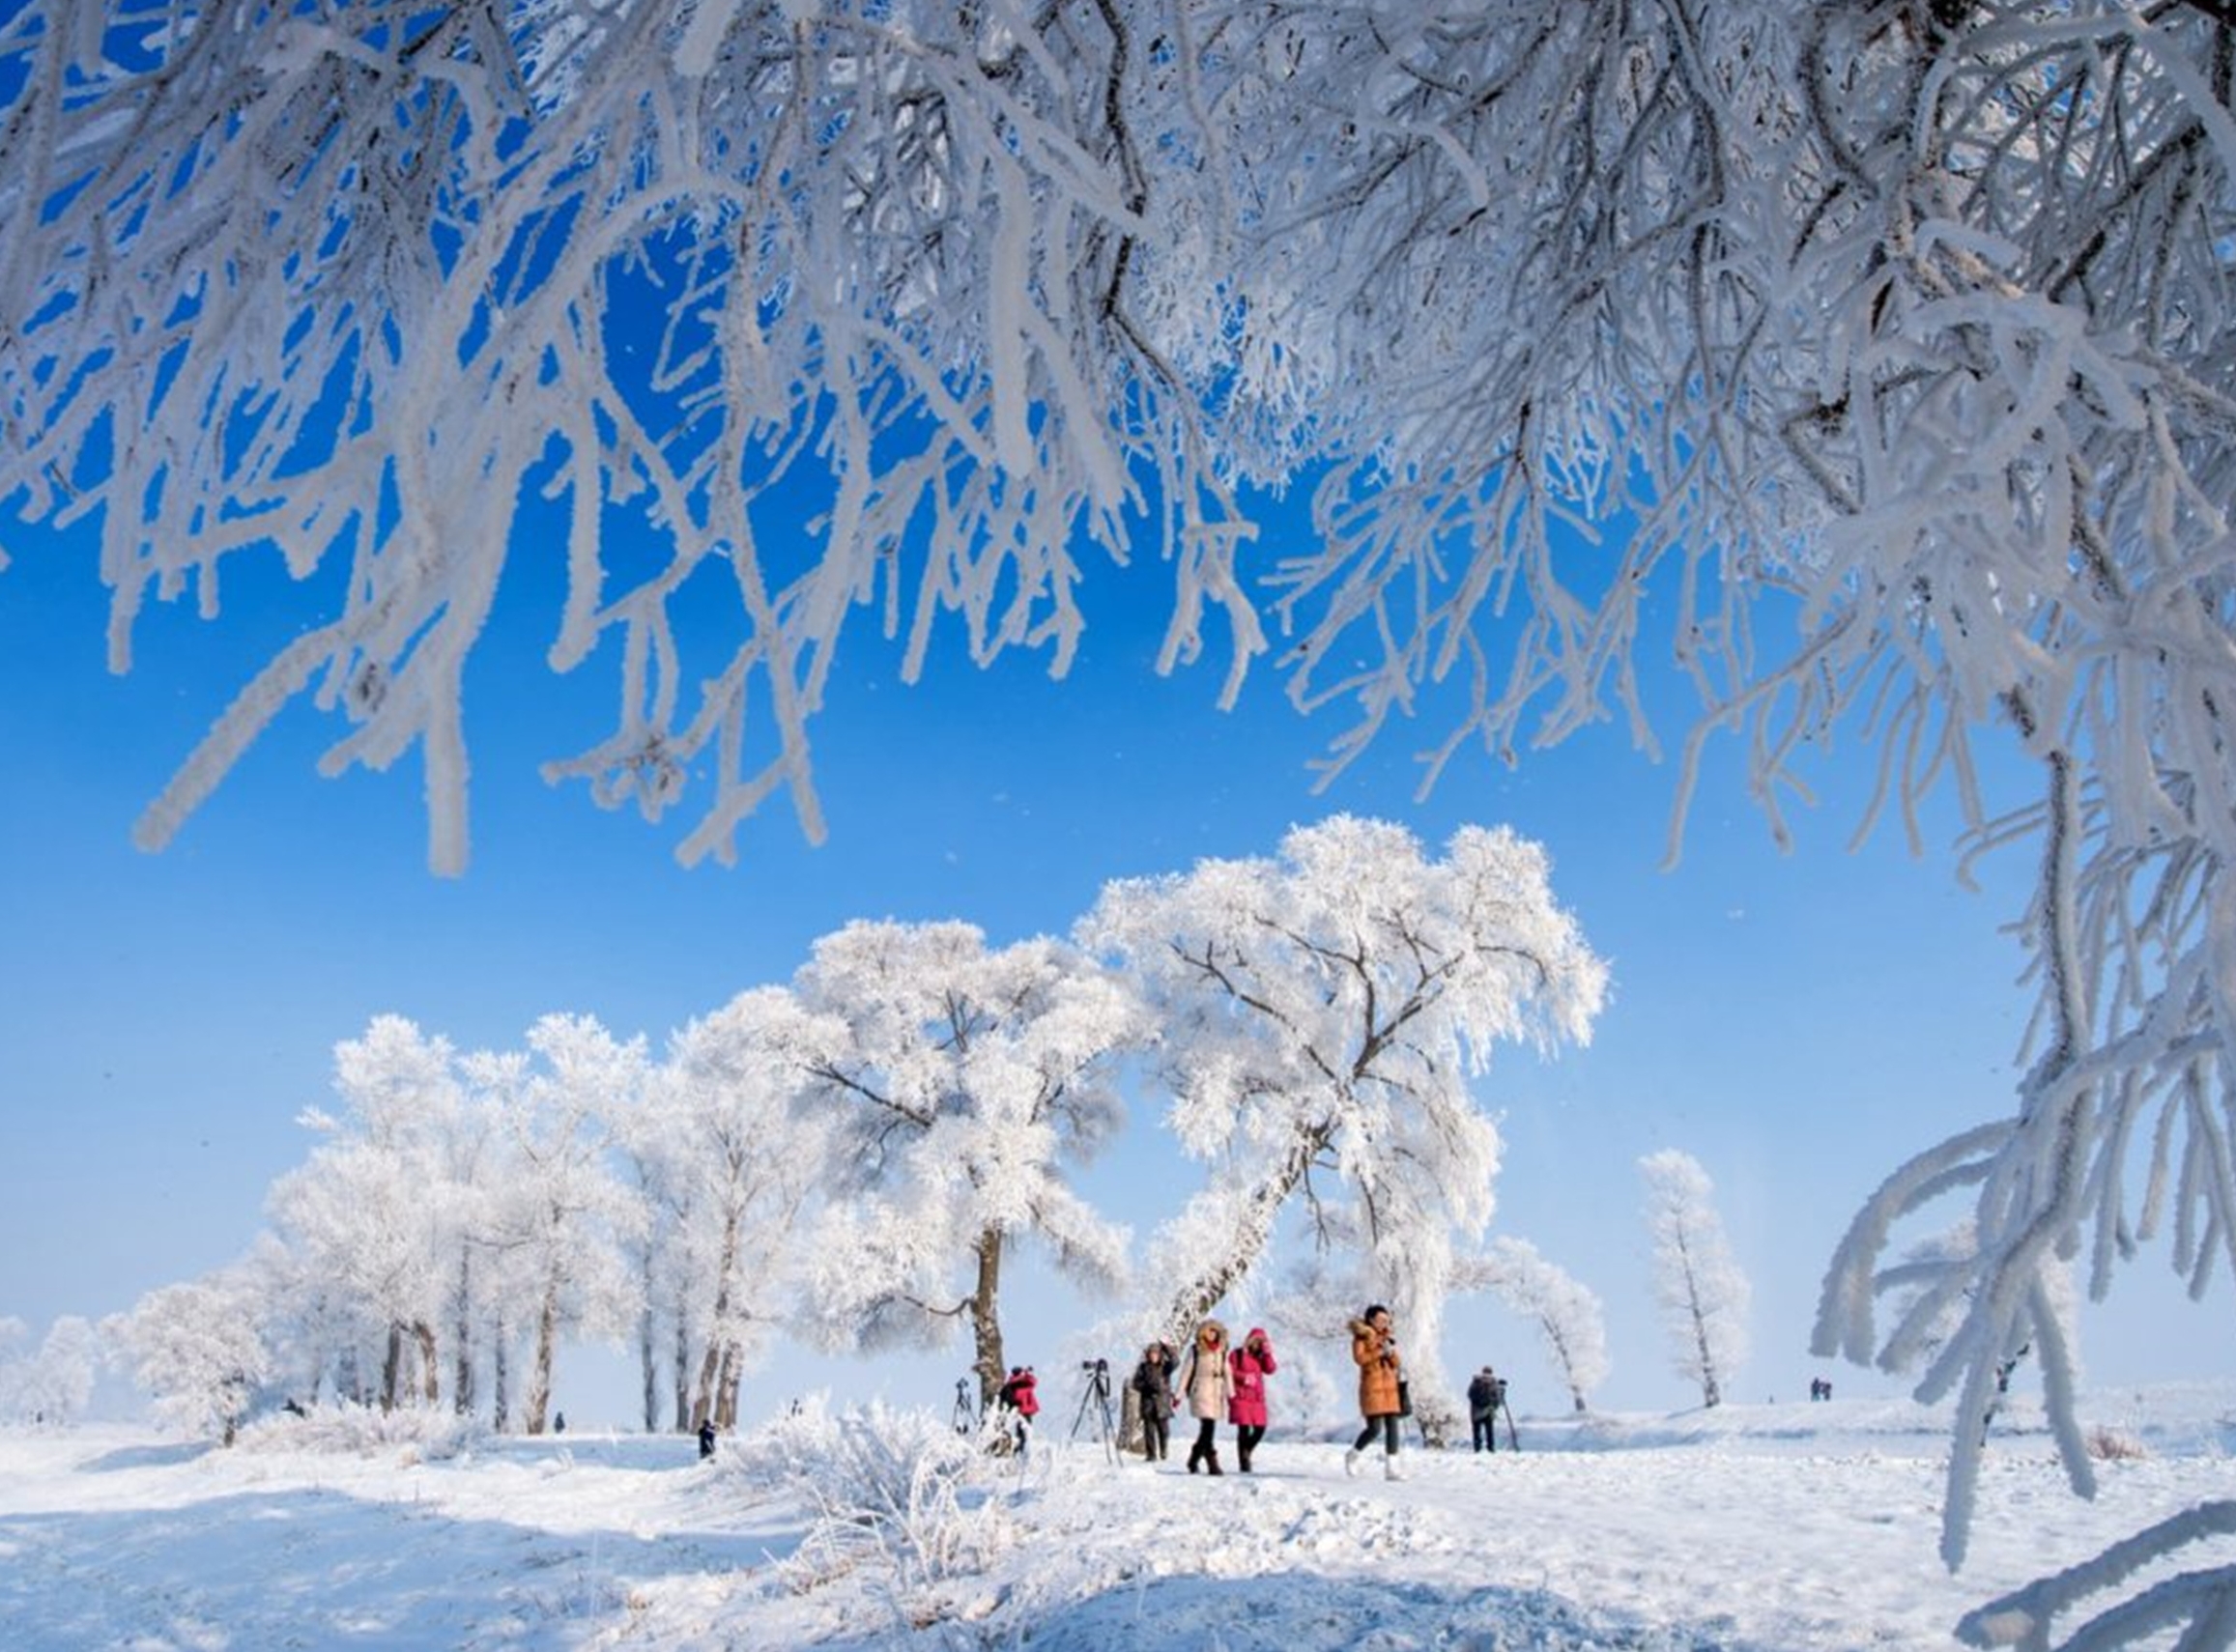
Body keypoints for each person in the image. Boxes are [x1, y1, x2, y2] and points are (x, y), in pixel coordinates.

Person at [1345, 1303, 1405, 1480]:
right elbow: (1360, 1358)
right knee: (1375, 1429)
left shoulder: (1387, 1338)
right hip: (1372, 1388)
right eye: (1380, 1319)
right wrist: (1379, 1352)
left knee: (1393, 1426)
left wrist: (1391, 1352)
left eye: (1386, 1320)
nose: (1384, 1323)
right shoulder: (1360, 1338)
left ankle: (1392, 1469)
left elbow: (1397, 1363)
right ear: (1371, 1319)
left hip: (1390, 1388)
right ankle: (1353, 1455)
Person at [1176, 1320, 1234, 1474]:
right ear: (1203, 1332)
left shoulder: (1223, 1350)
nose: (1212, 1334)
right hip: (1201, 1389)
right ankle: (1212, 1462)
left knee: (1207, 1428)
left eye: (1215, 1331)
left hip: (1217, 1391)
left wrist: (1231, 1394)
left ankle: (1194, 1458)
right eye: (1209, 1331)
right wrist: (1178, 1395)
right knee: (1208, 1426)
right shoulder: (1195, 1350)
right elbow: (1186, 1373)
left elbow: (1227, 1372)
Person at [1227, 1326, 1277, 1472]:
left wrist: (1268, 1353)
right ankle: (1244, 1463)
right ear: (1250, 1340)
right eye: (1256, 1341)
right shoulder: (1237, 1354)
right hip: (1241, 1397)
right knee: (1243, 1429)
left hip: (1257, 1399)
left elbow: (1271, 1369)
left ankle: (1246, 1452)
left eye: (1261, 1342)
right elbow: (1228, 1371)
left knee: (1260, 1429)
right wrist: (1244, 1378)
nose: (1258, 1344)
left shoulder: (1261, 1357)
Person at [1131, 1341, 1177, 1463]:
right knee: (1149, 1431)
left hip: (1162, 1403)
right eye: (1151, 1353)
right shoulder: (1143, 1367)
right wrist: (1146, 1387)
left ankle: (1163, 1450)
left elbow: (1176, 1361)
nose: (1153, 1356)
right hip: (1148, 1403)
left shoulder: (1165, 1367)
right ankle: (1151, 1454)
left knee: (1164, 1430)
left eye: (1156, 1353)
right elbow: (1135, 1383)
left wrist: (1167, 1348)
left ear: (1160, 1354)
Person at [996, 1364, 1040, 1455]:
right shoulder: (1020, 1382)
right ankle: (1019, 1451)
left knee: (1022, 1434)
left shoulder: (1023, 1382)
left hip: (1022, 1411)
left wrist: (1026, 1373)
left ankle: (1020, 1451)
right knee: (1022, 1434)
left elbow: (1032, 1381)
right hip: (1021, 1411)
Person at [1467, 1365, 1502, 1453]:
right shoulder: (1476, 1382)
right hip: (1477, 1411)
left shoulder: (1494, 1384)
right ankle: (1477, 1448)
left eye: (1488, 1374)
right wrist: (1479, 1402)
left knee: (1489, 1430)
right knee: (1477, 1431)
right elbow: (1470, 1395)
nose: (1487, 1376)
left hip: (1488, 1411)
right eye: (1485, 1374)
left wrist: (1494, 1405)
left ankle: (1490, 1447)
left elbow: (1497, 1398)